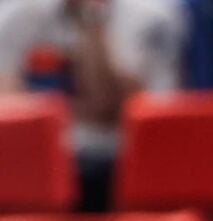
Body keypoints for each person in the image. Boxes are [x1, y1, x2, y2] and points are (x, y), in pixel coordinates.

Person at [0, 0, 187, 207]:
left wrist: (92, 21)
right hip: (39, 164)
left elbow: (122, 108)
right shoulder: (17, 16)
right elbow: (12, 112)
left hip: (119, 161)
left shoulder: (153, 17)